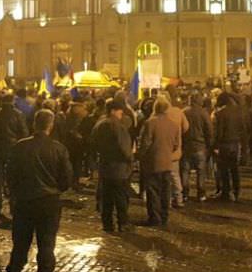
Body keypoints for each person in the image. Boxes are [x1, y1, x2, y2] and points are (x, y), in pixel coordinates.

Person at [1, 109, 72, 272]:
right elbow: (66, 179)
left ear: (34, 124)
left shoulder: (19, 147)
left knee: (20, 245)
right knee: (47, 245)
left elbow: (10, 175)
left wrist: (15, 194)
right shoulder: (58, 148)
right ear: (51, 125)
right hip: (48, 203)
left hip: (24, 202)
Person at [91, 98, 134, 232]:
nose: (122, 114)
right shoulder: (117, 126)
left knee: (107, 197)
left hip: (105, 166)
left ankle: (107, 224)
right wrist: (130, 158)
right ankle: (123, 223)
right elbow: (124, 148)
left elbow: (92, 143)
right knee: (120, 197)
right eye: (120, 111)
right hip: (118, 168)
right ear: (114, 111)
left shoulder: (99, 124)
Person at [138, 97, 181, 225]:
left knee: (153, 191)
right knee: (165, 191)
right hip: (168, 162)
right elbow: (176, 144)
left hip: (152, 162)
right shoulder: (173, 124)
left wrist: (140, 155)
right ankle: (164, 216)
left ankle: (154, 217)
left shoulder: (150, 123)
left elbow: (145, 143)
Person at [0, 94, 28, 222]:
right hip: (13, 151)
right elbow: (24, 133)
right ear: (13, 101)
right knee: (13, 179)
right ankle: (13, 206)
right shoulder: (18, 115)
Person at [181, 93, 213, 202]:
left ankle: (185, 193)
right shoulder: (203, 113)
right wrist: (209, 145)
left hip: (186, 145)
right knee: (201, 171)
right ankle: (201, 193)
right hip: (200, 145)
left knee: (185, 170)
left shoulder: (184, 112)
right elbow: (209, 130)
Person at [213, 92, 244, 202]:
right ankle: (236, 191)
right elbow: (243, 129)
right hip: (235, 143)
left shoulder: (221, 114)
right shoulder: (239, 112)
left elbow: (219, 132)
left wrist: (216, 145)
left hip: (225, 144)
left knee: (224, 169)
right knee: (234, 169)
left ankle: (226, 192)